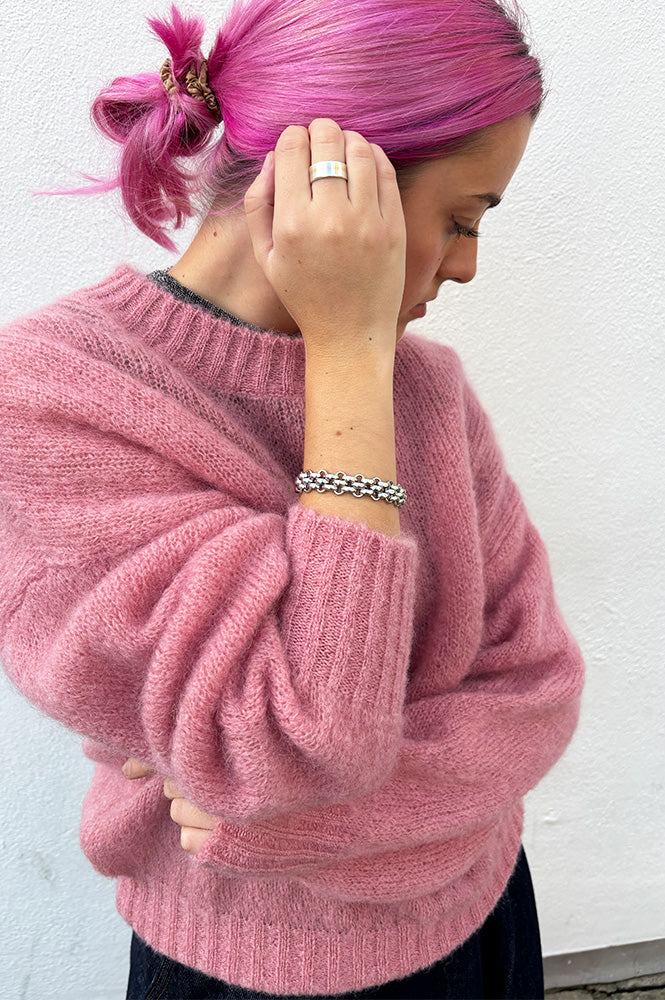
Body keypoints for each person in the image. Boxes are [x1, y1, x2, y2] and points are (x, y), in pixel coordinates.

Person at [0, 1, 585, 997]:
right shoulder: (52, 397)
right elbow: (298, 738)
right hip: (240, 967)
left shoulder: (428, 391)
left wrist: (293, 818)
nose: (467, 263)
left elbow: (534, 692)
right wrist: (349, 351)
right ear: (331, 184)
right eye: (458, 218)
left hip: (474, 919)